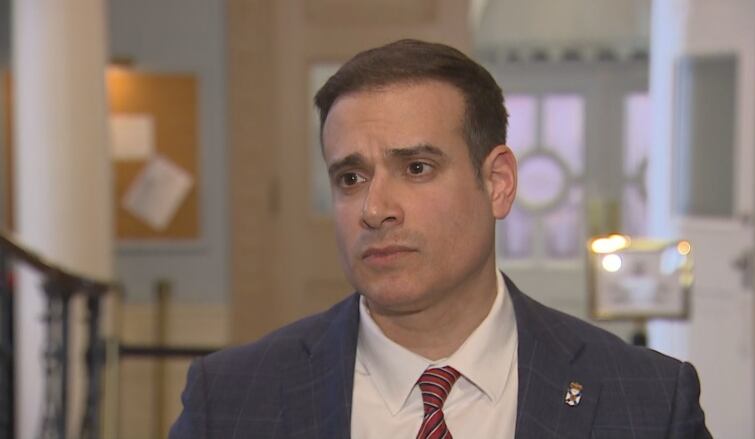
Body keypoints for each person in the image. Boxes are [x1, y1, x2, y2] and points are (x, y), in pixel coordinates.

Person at [170, 39, 710, 439]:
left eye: (418, 168)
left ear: (497, 184)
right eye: (350, 178)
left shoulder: (647, 402)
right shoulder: (233, 399)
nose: (375, 209)